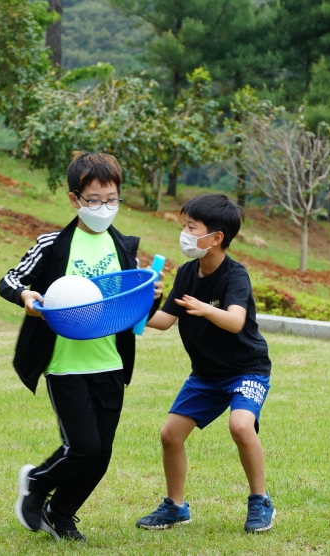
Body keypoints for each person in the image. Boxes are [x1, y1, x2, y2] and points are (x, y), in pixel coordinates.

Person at [0, 152, 163, 542]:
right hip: (65, 364)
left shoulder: (125, 248)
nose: (104, 207)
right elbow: (10, 279)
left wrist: (153, 295)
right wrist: (26, 297)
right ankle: (37, 483)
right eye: (94, 199)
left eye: (111, 199)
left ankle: (61, 513)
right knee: (85, 447)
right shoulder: (53, 244)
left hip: (109, 362)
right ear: (75, 199)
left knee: (100, 456)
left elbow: (133, 310)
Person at [136, 193, 276, 534]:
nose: (184, 233)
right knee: (170, 435)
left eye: (191, 227)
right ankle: (176, 507)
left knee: (241, 426)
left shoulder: (235, 275)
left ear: (216, 238)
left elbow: (235, 321)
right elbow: (164, 320)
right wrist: (131, 312)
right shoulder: (186, 273)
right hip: (206, 375)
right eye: (184, 225)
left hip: (247, 369)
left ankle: (260, 501)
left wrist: (204, 308)